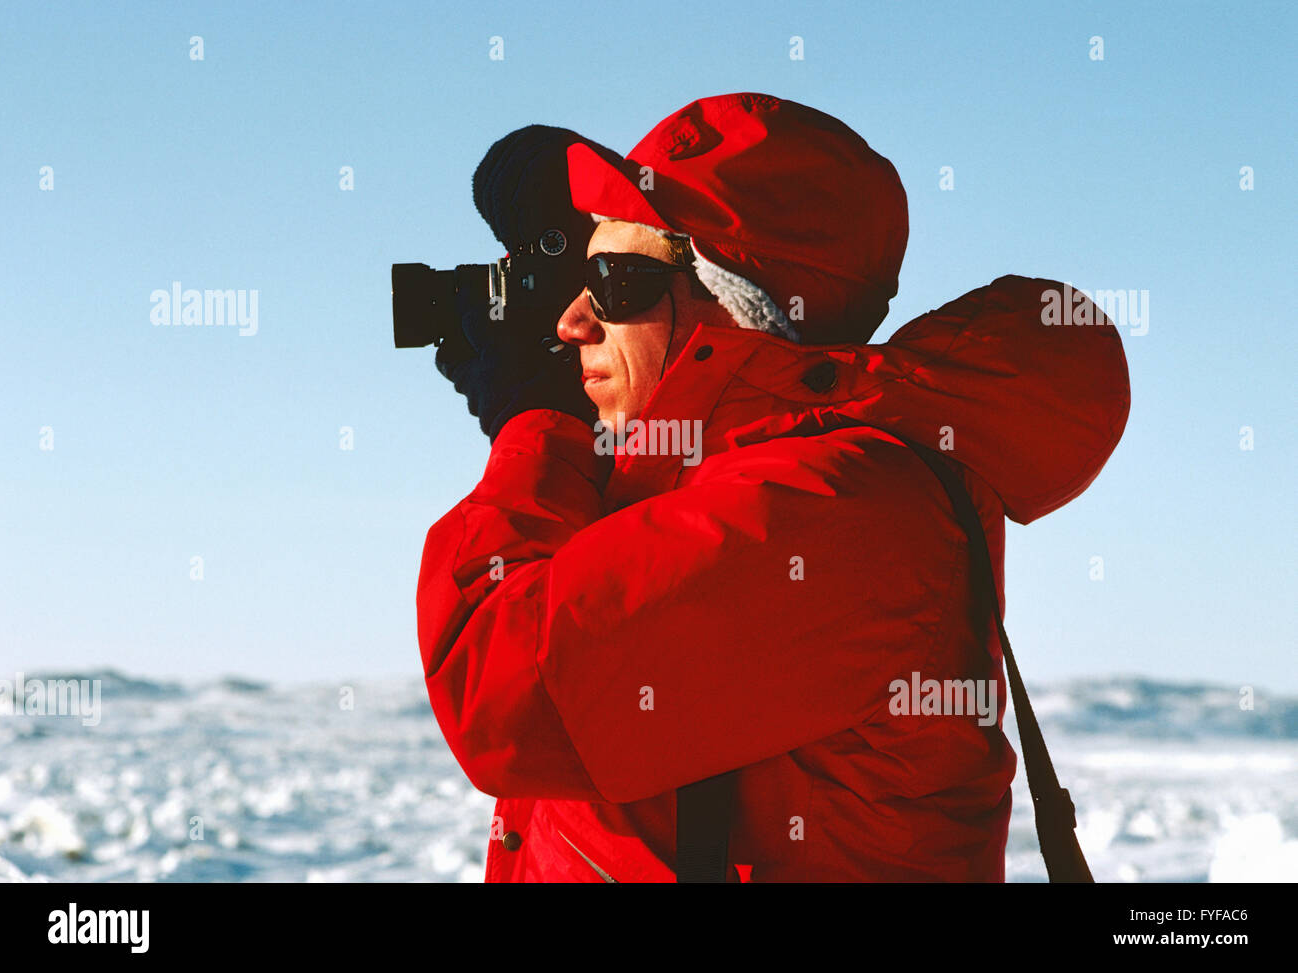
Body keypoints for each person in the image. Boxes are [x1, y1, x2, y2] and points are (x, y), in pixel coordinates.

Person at [417, 92, 1130, 882]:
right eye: (581, 282)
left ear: (740, 303)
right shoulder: (733, 484)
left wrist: (534, 426)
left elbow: (504, 693)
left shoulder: (838, 509)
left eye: (614, 283)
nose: (571, 322)